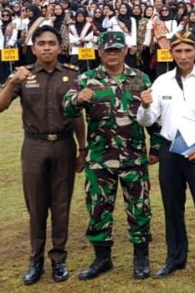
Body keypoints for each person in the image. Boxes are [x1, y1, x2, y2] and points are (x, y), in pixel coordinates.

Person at [63, 31, 160, 281]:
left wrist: (156, 146)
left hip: (134, 157)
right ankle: (102, 258)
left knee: (139, 208)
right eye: (108, 50)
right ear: (100, 52)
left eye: (117, 49)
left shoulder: (139, 78)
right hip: (99, 158)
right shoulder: (87, 78)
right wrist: (77, 99)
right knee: (98, 208)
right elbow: (65, 107)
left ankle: (141, 257)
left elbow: (152, 115)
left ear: (125, 51)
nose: (113, 54)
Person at [0, 26, 83, 285]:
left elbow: (77, 116)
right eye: (41, 43)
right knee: (36, 206)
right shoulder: (23, 75)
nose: (46, 47)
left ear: (59, 47)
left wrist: (83, 148)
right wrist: (13, 81)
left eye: (51, 43)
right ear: (33, 48)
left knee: (61, 206)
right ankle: (35, 260)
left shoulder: (71, 76)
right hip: (34, 147)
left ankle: (58, 259)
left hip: (64, 146)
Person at [136, 33, 195, 281]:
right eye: (178, 51)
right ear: (171, 53)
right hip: (170, 149)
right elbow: (149, 119)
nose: (183, 56)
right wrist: (143, 106)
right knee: (172, 206)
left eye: (188, 50)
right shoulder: (161, 82)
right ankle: (175, 257)